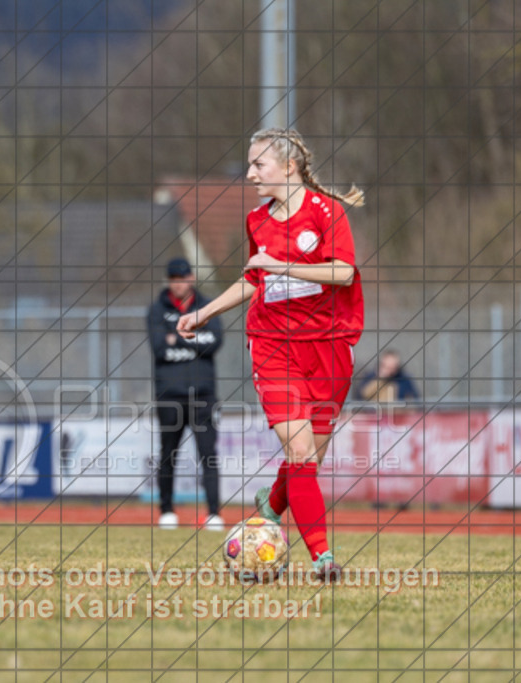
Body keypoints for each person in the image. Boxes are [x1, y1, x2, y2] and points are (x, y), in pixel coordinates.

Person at [177, 128, 364, 580]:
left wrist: (279, 263)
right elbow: (253, 279)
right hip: (272, 345)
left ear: (289, 167)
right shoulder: (258, 219)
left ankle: (270, 507)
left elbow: (341, 272)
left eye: (258, 164)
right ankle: (323, 558)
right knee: (299, 452)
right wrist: (205, 311)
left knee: (309, 460)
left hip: (328, 347)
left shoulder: (327, 213)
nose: (250, 173)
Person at [148, 257, 224, 530]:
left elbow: (215, 342)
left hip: (204, 395)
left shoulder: (206, 306)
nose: (179, 283)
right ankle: (167, 510)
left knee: (209, 455)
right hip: (170, 396)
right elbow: (159, 348)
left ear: (192, 278)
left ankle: (214, 513)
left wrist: (176, 338)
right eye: (174, 278)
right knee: (168, 454)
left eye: (183, 277)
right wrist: (194, 339)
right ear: (169, 280)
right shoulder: (157, 310)